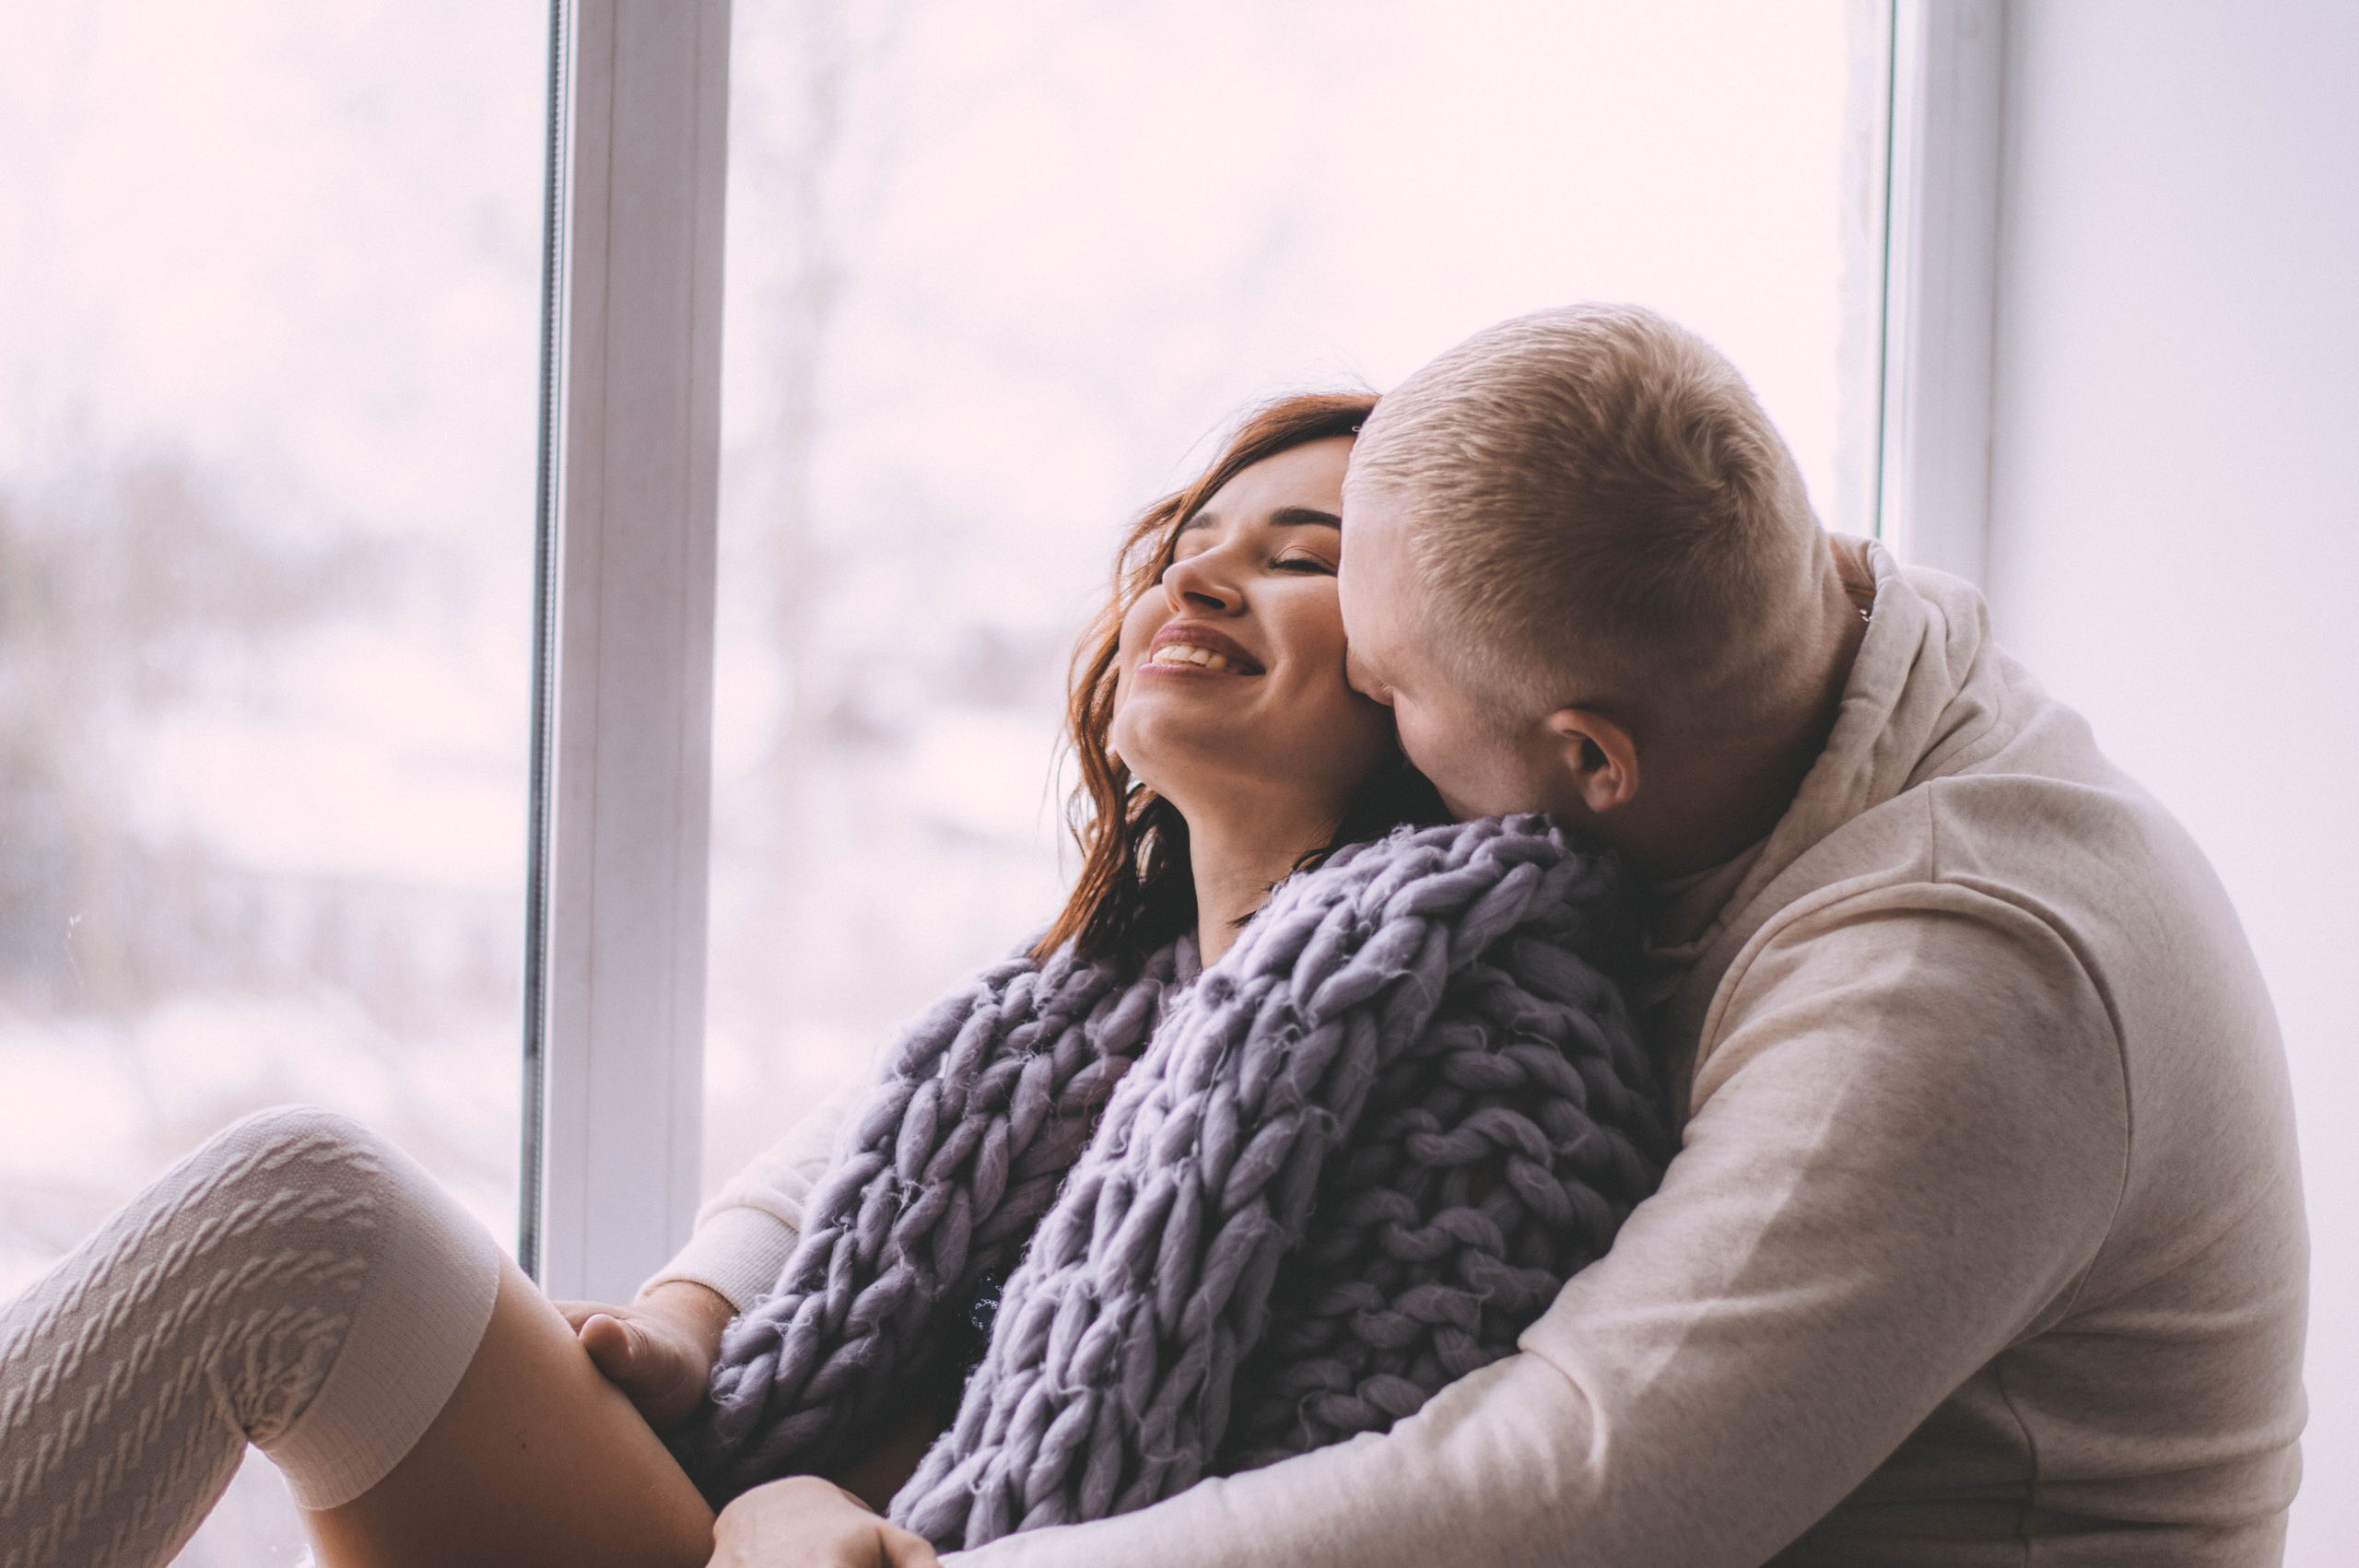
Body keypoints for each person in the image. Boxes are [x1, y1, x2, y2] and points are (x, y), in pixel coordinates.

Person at [730, 304, 2295, 1565]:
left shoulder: (1960, 970)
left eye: (1392, 690)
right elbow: (1015, 1070)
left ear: (1587, 757)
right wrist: (704, 1306)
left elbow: (1570, 1492)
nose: (1385, 727)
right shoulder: (1693, 641)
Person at [0, 393, 1667, 1568]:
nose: (1198, 576)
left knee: (311, 1212)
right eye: (1188, 535)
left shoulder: (1506, 1044)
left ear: (1418, 677)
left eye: (1301, 556)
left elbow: (1310, 1523)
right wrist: (695, 1349)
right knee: (310, 1228)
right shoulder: (1071, 1021)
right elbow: (818, 1204)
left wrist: (815, 1518)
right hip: (744, 1525)